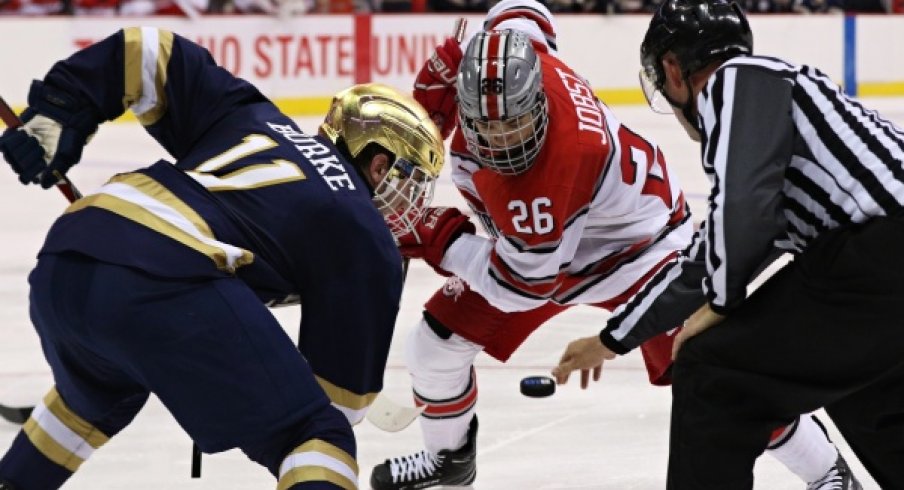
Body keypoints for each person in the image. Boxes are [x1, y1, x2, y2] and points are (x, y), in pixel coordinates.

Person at [0, 27, 444, 490]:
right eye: (410, 178)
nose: (410, 199)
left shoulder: (256, 117)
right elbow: (340, 404)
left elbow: (146, 51)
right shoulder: (363, 229)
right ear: (378, 163)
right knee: (315, 435)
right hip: (168, 279)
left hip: (70, 254)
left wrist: (59, 111)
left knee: (92, 397)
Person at [553, 0, 904, 488]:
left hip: (879, 254)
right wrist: (613, 339)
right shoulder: (778, 119)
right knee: (861, 392)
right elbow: (708, 257)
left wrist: (720, 305)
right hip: (878, 271)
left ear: (673, 69)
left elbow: (742, 211)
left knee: (711, 372)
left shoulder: (737, 80)